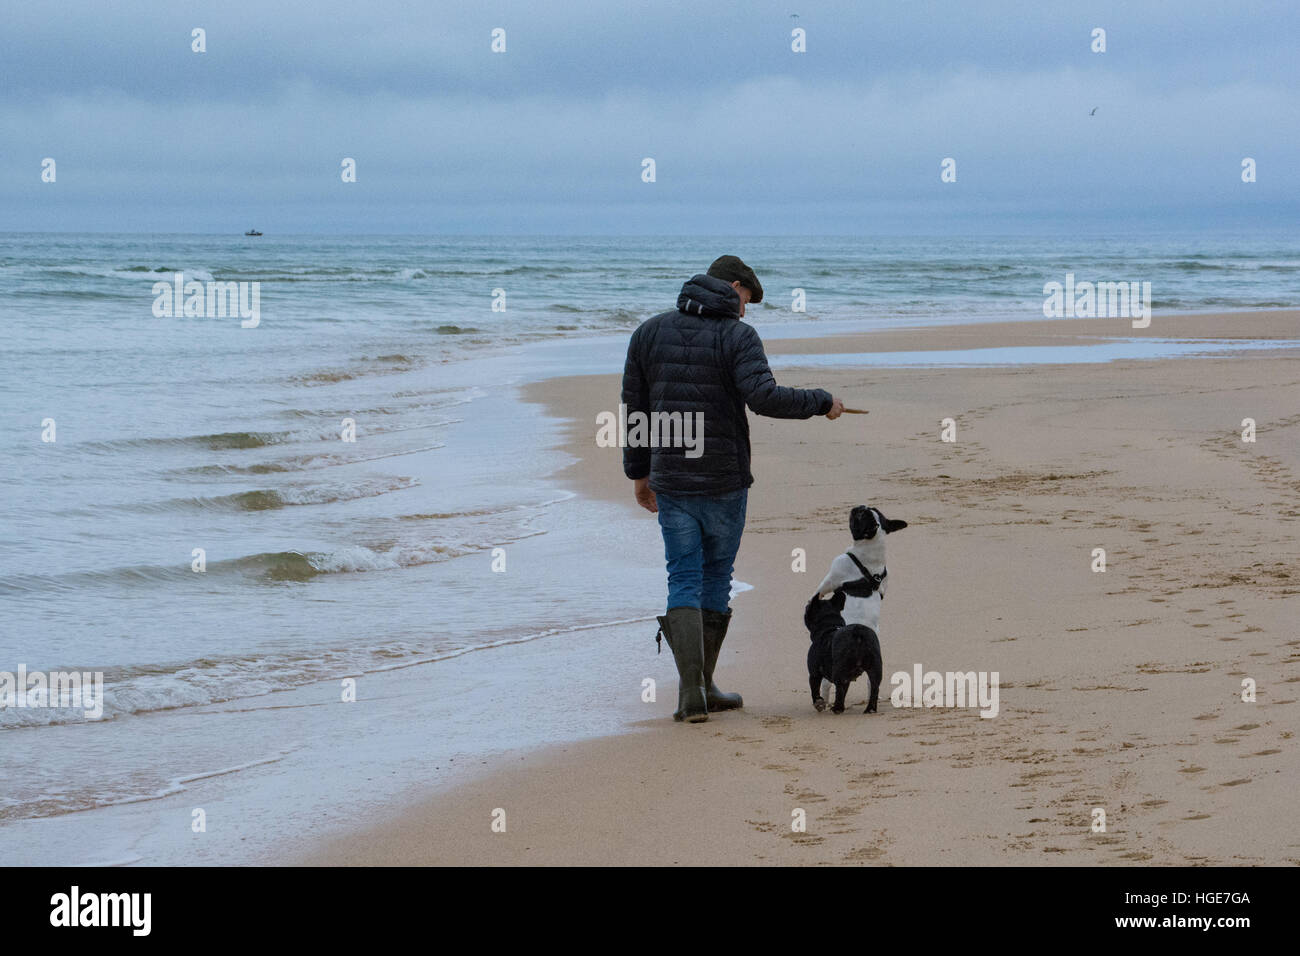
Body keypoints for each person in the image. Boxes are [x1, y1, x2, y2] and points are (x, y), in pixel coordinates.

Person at [621, 255, 844, 723]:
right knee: (715, 577)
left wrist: (638, 474)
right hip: (724, 480)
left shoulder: (649, 332)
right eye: (746, 300)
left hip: (672, 479)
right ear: (735, 287)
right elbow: (764, 398)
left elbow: (635, 408)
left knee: (682, 575)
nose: (746, 311)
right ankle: (702, 686)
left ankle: (693, 693)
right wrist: (821, 402)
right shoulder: (737, 336)